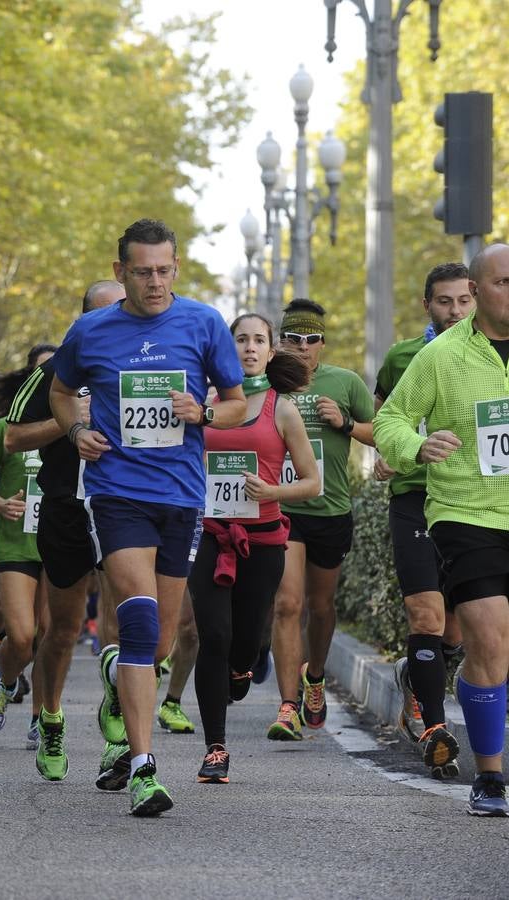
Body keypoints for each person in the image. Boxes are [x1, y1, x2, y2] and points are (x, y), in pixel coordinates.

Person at [49, 219, 245, 816]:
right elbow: (61, 393)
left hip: (181, 498)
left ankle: (116, 679)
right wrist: (78, 429)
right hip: (117, 493)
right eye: (142, 271)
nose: (155, 281)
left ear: (176, 268)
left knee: (158, 642)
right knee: (137, 625)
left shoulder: (204, 323)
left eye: (164, 270)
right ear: (121, 273)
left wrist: (205, 411)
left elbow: (238, 403)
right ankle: (142, 766)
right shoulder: (92, 330)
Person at [373, 242, 509, 816]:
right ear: (477, 292)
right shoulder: (441, 356)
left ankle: (474, 703)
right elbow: (390, 419)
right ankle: (491, 777)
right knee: (489, 636)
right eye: (502, 281)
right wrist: (416, 446)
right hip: (466, 513)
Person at [187, 314, 318, 783]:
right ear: (226, 348)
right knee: (214, 635)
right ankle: (215, 749)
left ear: (269, 351)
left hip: (262, 542)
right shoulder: (203, 404)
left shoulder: (281, 408)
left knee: (243, 642)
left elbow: (312, 482)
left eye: (257, 340)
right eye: (239, 339)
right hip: (209, 535)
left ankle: (245, 666)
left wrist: (271, 493)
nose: (248, 347)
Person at [4, 279, 122, 780]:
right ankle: (51, 718)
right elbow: (12, 438)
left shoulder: (143, 366)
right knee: (63, 630)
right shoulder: (54, 372)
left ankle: (117, 713)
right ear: (82, 322)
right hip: (66, 509)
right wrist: (68, 420)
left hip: (123, 504)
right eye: (104, 314)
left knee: (126, 628)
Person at [372, 262, 473, 779]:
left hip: (473, 504)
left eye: (462, 301)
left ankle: (417, 677)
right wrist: (390, 450)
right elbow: (384, 418)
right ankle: (435, 732)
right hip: (415, 498)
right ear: (426, 304)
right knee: (426, 617)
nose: (454, 311)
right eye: (443, 302)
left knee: (456, 631)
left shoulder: (492, 356)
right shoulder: (404, 357)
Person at [267, 298, 375, 740]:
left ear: (322, 344)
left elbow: (382, 433)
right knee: (287, 605)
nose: (302, 348)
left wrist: (346, 422)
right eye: (293, 339)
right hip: (282, 509)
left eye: (310, 340)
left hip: (330, 511)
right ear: (280, 343)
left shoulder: (345, 382)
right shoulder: (268, 384)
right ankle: (288, 704)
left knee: (321, 607)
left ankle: (315, 676)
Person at [0, 361, 56, 738]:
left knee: (49, 636)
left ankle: (42, 715)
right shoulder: (7, 429)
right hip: (15, 544)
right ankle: (6, 684)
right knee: (21, 636)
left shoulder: (78, 427)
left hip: (60, 544)